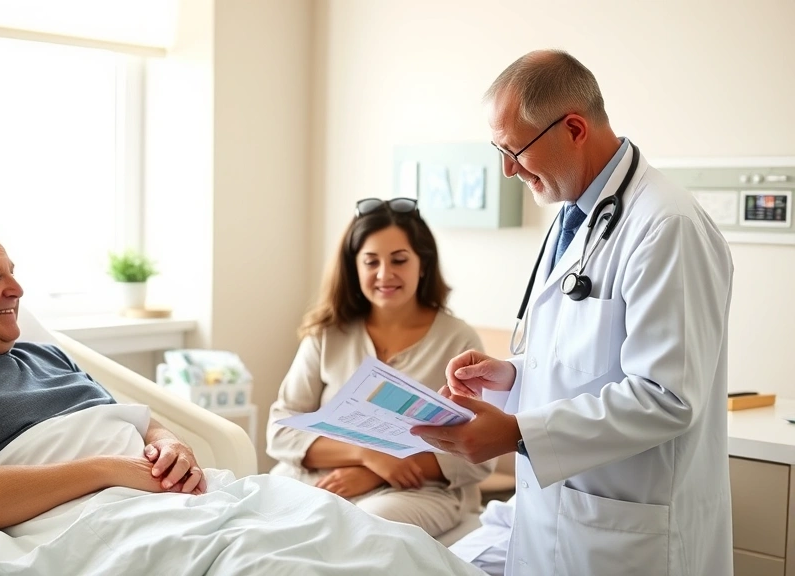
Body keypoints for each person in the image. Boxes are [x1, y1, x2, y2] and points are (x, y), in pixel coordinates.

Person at [411, 49, 734, 575]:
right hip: (558, 518)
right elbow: (590, 362)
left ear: (575, 129)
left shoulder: (667, 226)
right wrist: (512, 376)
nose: (508, 169)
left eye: (516, 150)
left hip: (630, 538)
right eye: (499, 149)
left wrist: (516, 432)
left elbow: (667, 397)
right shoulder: (576, 216)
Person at [0, 221, 207, 546]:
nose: (17, 290)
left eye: (12, 273)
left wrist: (170, 444)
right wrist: (111, 469)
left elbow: (133, 421)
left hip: (173, 506)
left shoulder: (46, 356)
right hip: (90, 527)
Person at [266, 197, 494, 538]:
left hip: (417, 489)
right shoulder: (327, 334)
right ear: (354, 267)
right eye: (371, 262)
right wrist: (365, 455)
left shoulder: (458, 340)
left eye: (399, 260)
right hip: (320, 477)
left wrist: (380, 472)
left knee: (360, 531)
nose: (385, 274)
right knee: (266, 523)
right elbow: (280, 430)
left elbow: (480, 450)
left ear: (423, 264)